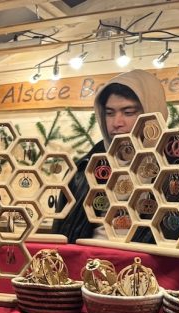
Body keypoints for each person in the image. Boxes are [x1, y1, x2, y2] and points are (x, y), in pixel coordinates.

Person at [55, 69, 167, 243]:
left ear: (152, 112)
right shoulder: (83, 171)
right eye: (109, 113)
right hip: (90, 264)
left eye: (129, 112)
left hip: (147, 267)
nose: (117, 123)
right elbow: (61, 236)